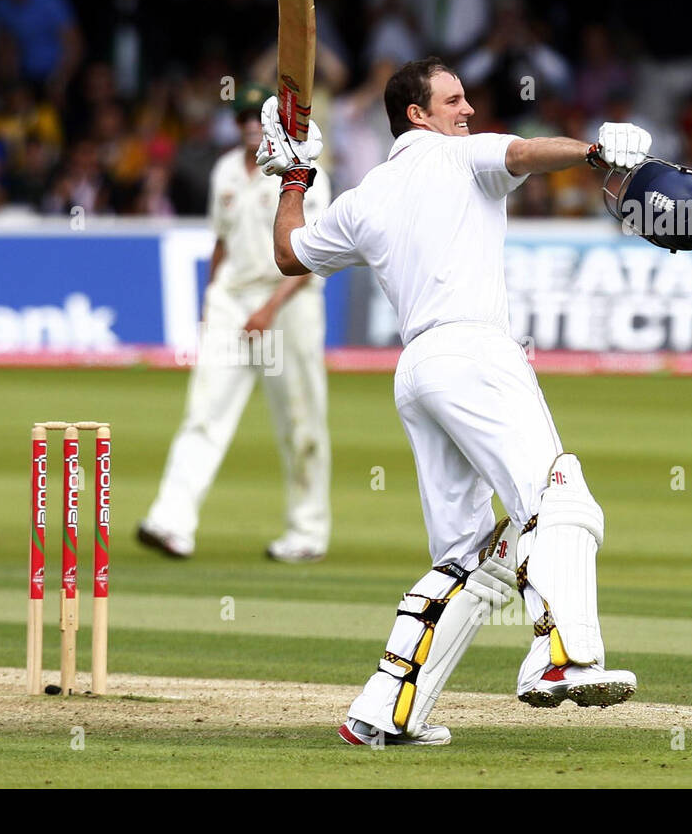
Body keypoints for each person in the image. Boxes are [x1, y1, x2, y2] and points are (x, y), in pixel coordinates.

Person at [258, 57, 644, 744]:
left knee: (472, 555)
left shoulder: (363, 198)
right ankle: (562, 657)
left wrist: (294, 177)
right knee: (560, 497)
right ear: (418, 113)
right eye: (454, 99)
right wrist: (592, 151)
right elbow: (524, 152)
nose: (467, 109)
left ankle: (387, 709)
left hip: (418, 370)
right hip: (475, 351)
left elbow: (289, 252)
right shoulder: (463, 157)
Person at [137, 84, 332, 563]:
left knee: (300, 422)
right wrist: (209, 304)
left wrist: (268, 309)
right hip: (231, 300)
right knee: (204, 411)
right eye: (243, 116)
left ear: (273, 123)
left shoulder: (306, 170)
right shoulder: (225, 168)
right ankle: (171, 521)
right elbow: (220, 245)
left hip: (287, 302)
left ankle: (307, 532)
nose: (249, 124)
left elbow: (314, 256)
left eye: (257, 116)